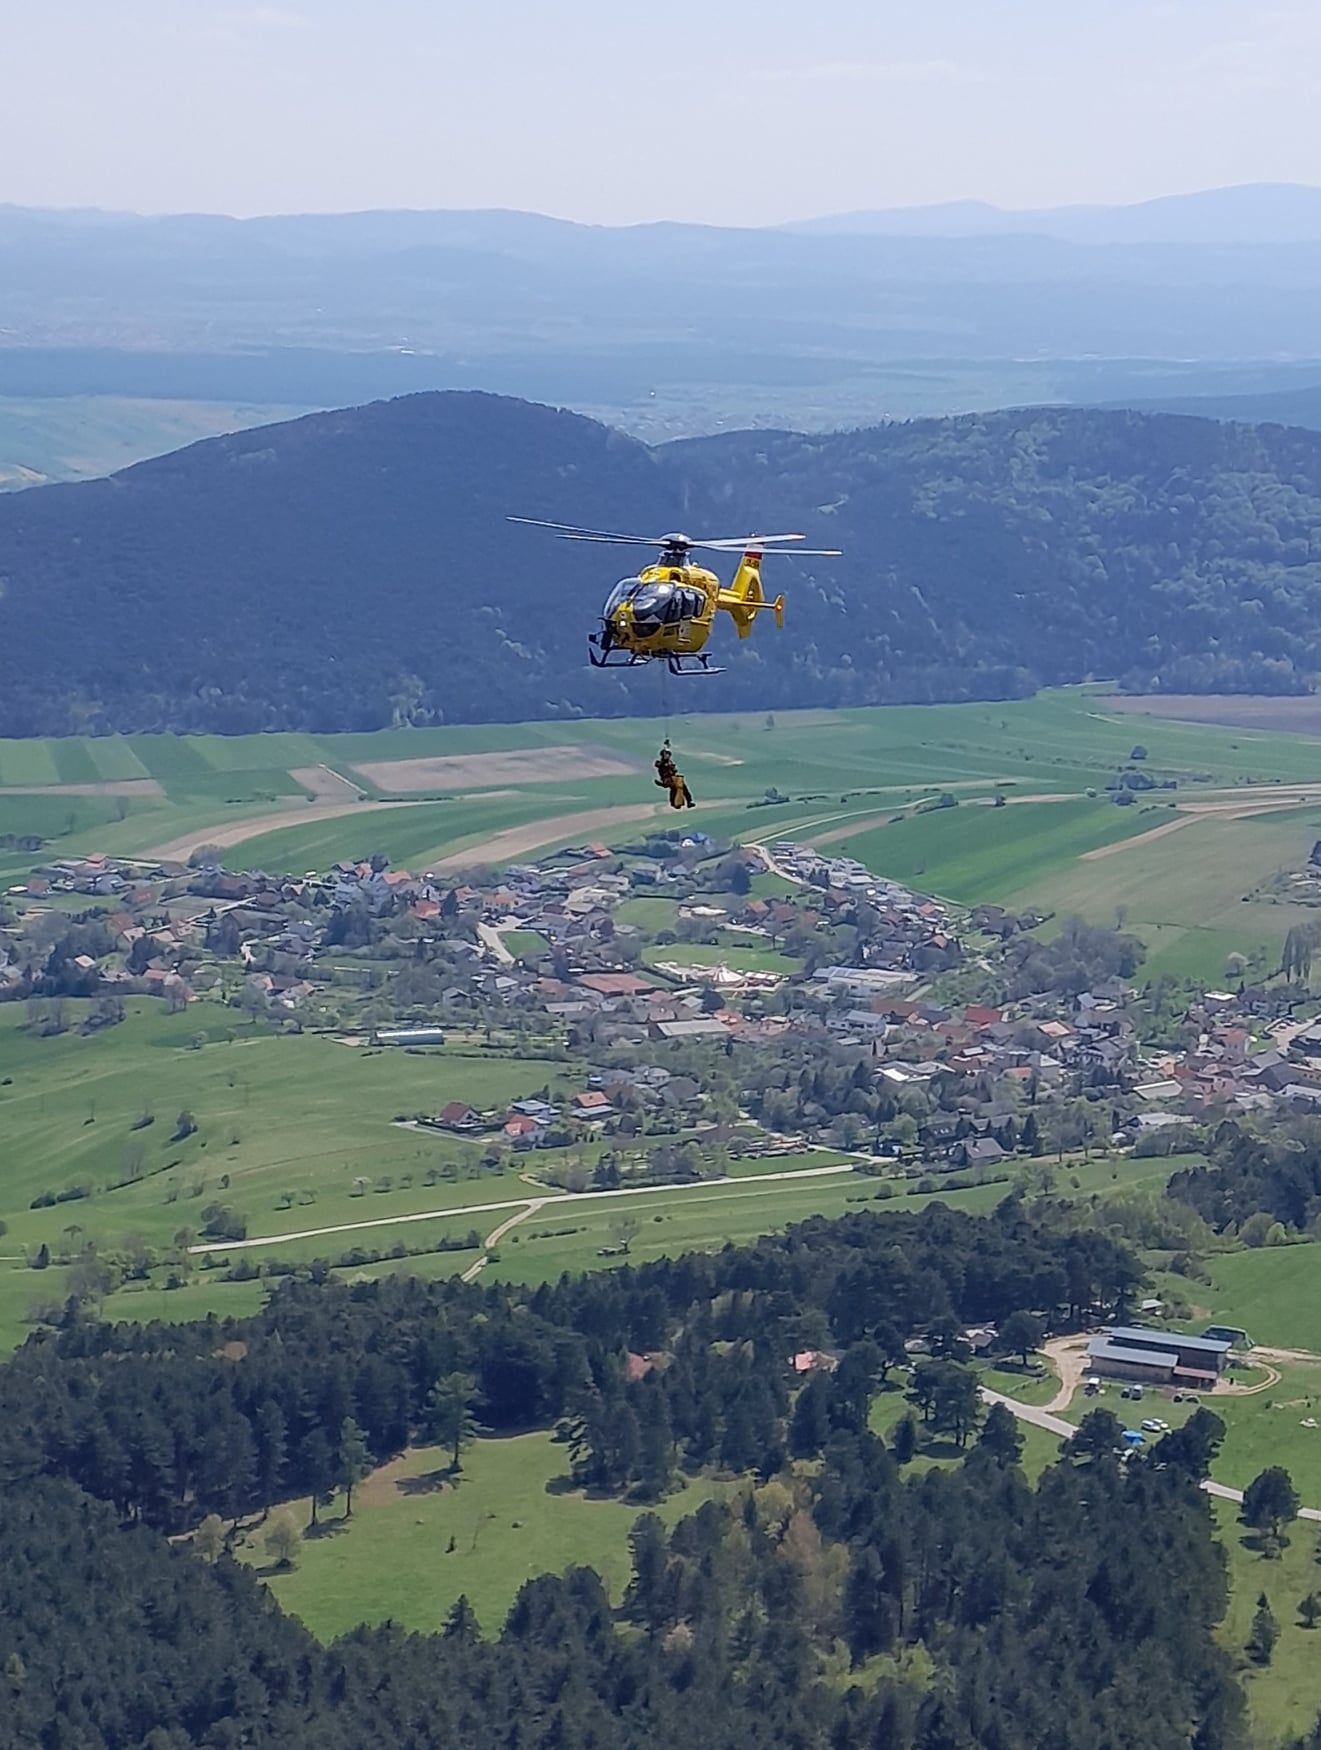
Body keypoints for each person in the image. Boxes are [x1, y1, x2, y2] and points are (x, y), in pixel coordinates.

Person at [654, 741, 695, 809]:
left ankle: (689, 801)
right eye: (666, 755)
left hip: (674, 778)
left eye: (668, 755)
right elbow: (659, 765)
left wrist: (667, 746)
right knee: (673, 788)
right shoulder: (660, 763)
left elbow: (674, 770)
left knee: (683, 787)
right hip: (667, 779)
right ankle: (674, 803)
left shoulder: (670, 763)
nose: (668, 756)